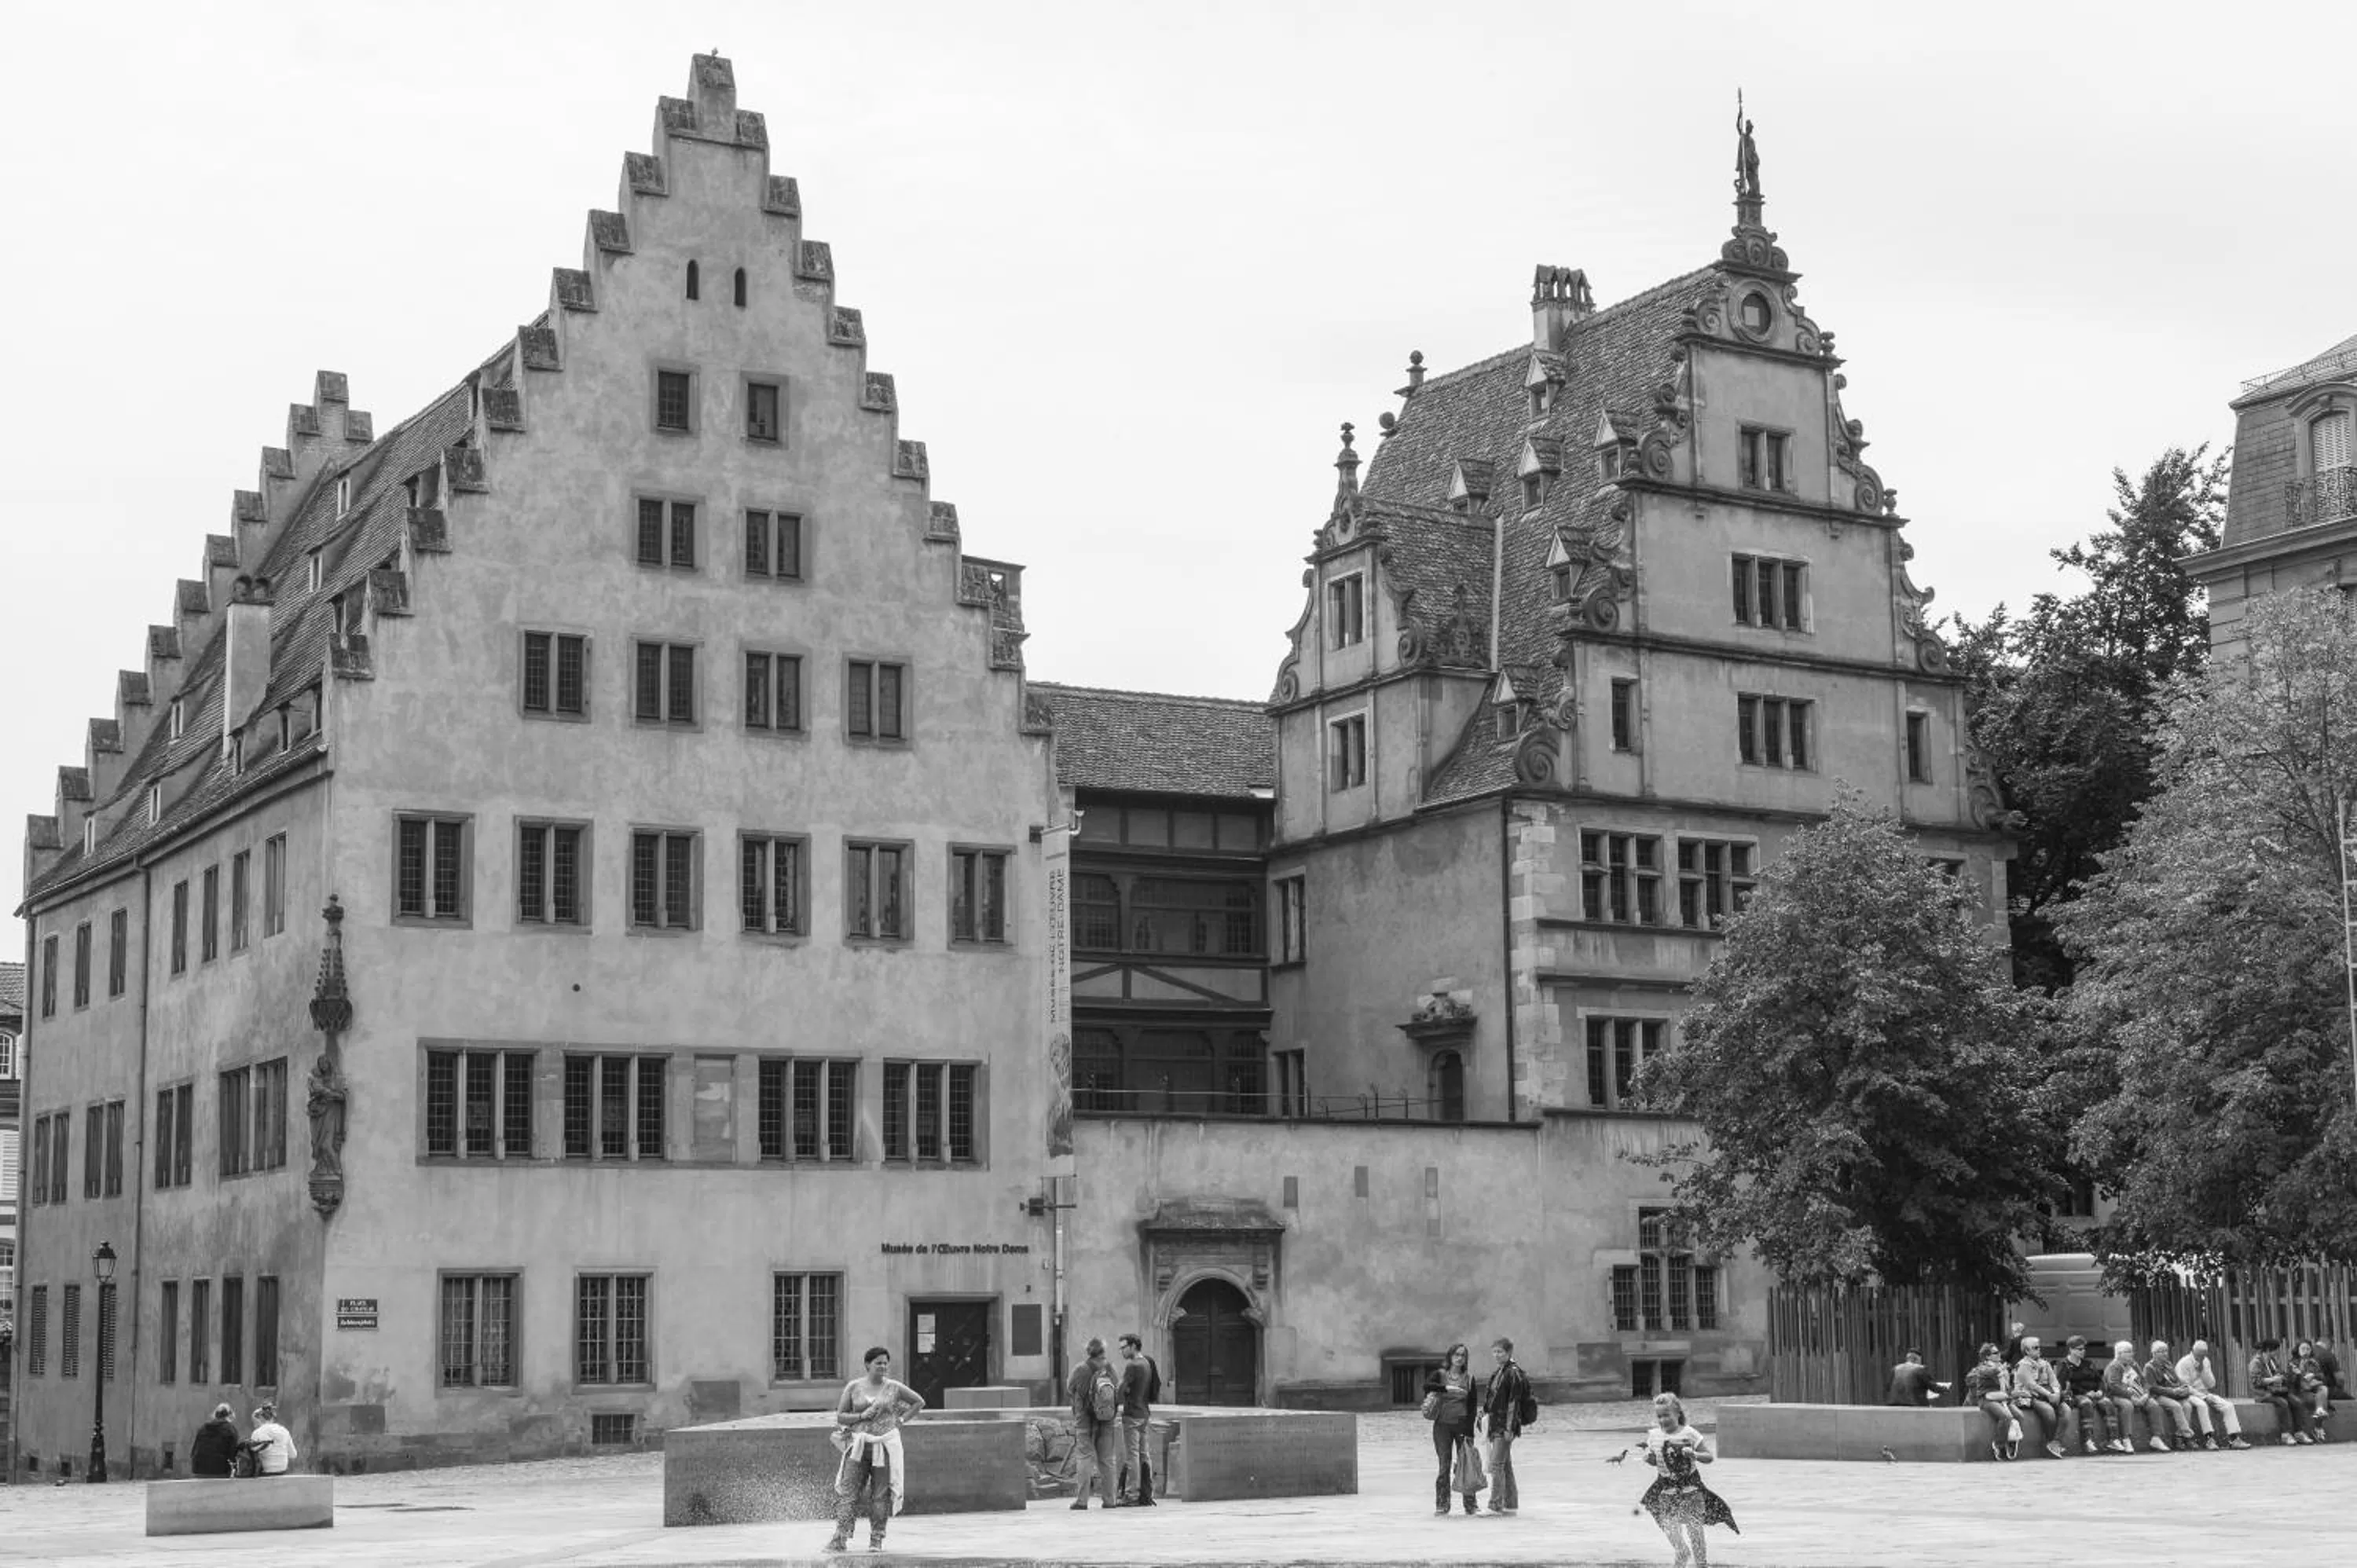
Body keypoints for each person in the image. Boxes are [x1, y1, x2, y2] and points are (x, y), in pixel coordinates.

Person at [824, 1346, 925, 1554]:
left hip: (884, 1447)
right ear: (867, 1365)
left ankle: (876, 1539)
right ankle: (840, 1538)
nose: (883, 1367)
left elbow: (919, 1402)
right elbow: (841, 1416)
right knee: (849, 1493)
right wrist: (861, 1416)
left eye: (886, 1363)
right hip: (858, 1447)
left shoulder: (894, 1387)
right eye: (878, 1363)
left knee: (880, 1495)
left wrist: (901, 1420)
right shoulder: (854, 1387)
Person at [1638, 1392, 1739, 1568]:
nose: (1663, 1420)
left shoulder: (1690, 1433)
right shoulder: (1654, 1436)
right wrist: (1650, 1459)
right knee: (1669, 1527)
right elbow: (1658, 1462)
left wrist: (1695, 1454)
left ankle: (1701, 1564)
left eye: (1666, 1415)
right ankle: (1682, 1552)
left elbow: (1709, 1457)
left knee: (1695, 1528)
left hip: (1691, 1491)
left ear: (1678, 1413)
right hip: (1666, 1492)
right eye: (1659, 1416)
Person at [1064, 1336, 1127, 1510]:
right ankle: (1110, 1499)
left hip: (1084, 1420)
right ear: (1103, 1351)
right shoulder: (1110, 1369)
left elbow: (1069, 1388)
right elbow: (1118, 1390)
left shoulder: (1080, 1369)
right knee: (1107, 1461)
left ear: (1088, 1352)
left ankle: (1082, 1500)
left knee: (1084, 1459)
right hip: (1107, 1420)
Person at [1421, 1342, 1483, 1516]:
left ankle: (1470, 1504)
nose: (1459, 1358)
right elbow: (1426, 1386)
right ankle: (1442, 1504)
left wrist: (1470, 1433)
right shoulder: (1440, 1375)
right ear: (1450, 1356)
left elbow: (1472, 1407)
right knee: (1444, 1466)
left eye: (1463, 1355)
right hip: (1442, 1426)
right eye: (1456, 1354)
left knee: (1466, 1465)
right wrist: (1447, 1388)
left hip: (1462, 1426)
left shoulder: (1469, 1379)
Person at [1479, 1338, 1530, 1516]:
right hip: (1495, 1423)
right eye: (1494, 1351)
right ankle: (1511, 1503)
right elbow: (1493, 1398)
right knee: (1505, 1465)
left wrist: (1510, 1427)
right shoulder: (1499, 1372)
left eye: (1500, 1352)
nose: (1496, 1355)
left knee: (1496, 1465)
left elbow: (1513, 1403)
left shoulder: (1513, 1373)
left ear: (1509, 1353)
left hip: (1504, 1426)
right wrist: (1484, 1412)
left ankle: (1495, 1505)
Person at [2102, 1338, 2179, 1453]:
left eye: (2131, 1351)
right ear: (2119, 1354)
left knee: (2153, 1405)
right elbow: (2114, 1386)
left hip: (2138, 1394)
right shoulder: (2114, 1366)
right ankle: (2126, 1439)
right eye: (2128, 1352)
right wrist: (2131, 1397)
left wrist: (2146, 1394)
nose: (2131, 1354)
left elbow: (2144, 1381)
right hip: (2117, 1396)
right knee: (2127, 1405)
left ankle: (2156, 1438)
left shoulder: (2134, 1364)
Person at [2173, 1340, 2251, 1450]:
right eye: (2199, 1355)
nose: (2201, 1358)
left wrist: (2203, 1371)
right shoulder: (2183, 1363)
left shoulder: (2205, 1361)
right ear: (2193, 1351)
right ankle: (2209, 1439)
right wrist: (2203, 1397)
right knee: (2202, 1405)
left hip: (2205, 1392)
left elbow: (2211, 1384)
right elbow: (2185, 1386)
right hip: (2189, 1394)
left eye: (2204, 1355)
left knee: (2228, 1406)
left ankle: (2234, 1439)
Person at [2008, 1336, 2070, 1457]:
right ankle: (2051, 1440)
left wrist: (2056, 1393)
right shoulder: (2022, 1366)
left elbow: (2054, 1381)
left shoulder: (2045, 1363)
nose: (2039, 1349)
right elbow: (2031, 1385)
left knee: (2066, 1410)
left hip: (2047, 1395)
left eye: (2039, 1347)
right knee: (2048, 1411)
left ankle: (2055, 1443)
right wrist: (2049, 1395)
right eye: (2035, 1348)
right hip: (2029, 1396)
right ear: (2027, 1351)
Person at [1115, 1332, 1157, 1507]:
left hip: (1132, 1414)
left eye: (1124, 1348)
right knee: (1144, 1455)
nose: (1122, 1351)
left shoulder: (1132, 1365)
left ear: (1133, 1346)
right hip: (1144, 1414)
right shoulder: (1146, 1362)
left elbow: (1121, 1389)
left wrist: (1118, 1399)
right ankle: (1147, 1493)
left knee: (1132, 1456)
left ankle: (1132, 1494)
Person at [2249, 1338, 2315, 1445]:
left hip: (2277, 1391)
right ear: (2269, 1350)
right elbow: (2256, 1382)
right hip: (2263, 1394)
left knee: (2297, 1402)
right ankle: (2286, 1434)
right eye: (2275, 1350)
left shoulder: (2273, 1361)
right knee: (2283, 1403)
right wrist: (2273, 1380)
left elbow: (2281, 1373)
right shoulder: (2256, 1362)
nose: (2277, 1352)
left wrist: (2289, 1375)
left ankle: (2299, 1433)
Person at [2141, 1340, 2205, 1451]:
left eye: (2166, 1351)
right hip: (2158, 1395)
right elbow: (2152, 1387)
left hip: (2173, 1394)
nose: (2165, 1353)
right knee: (2176, 1406)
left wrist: (2180, 1388)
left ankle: (2179, 1437)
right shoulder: (2149, 1367)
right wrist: (2172, 1391)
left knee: (2187, 1406)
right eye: (2161, 1351)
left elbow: (2176, 1380)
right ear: (2154, 1353)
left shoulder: (2168, 1364)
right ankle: (2188, 1436)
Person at [1963, 1343, 2022, 1460]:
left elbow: (2006, 1387)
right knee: (2006, 1417)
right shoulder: (1982, 1368)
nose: (1999, 1354)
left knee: (2019, 1416)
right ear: (1987, 1357)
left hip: (2002, 1398)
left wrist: (2014, 1395)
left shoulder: (2001, 1369)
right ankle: (1999, 1445)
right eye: (1995, 1353)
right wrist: (2000, 1369)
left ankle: (2011, 1439)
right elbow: (1989, 1372)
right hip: (1987, 1399)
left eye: (1999, 1352)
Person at [2058, 1337, 2116, 1455]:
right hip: (2077, 1395)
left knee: (2107, 1403)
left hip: (2094, 1394)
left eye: (2084, 1349)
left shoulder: (2088, 1364)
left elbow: (2099, 1380)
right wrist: (2085, 1393)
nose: (2083, 1351)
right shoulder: (2064, 1365)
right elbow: (2065, 1385)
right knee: (2086, 1403)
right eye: (2080, 1349)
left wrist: (2100, 1391)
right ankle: (2087, 1441)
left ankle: (2113, 1439)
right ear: (2071, 1350)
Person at [2292, 1340, 2333, 1438]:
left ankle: (2319, 1411)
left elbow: (2323, 1377)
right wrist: (2299, 1376)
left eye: (2308, 1349)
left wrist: (2313, 1375)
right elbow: (2290, 1381)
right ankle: (2318, 1427)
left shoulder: (2314, 1362)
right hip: (2300, 1391)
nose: (2305, 1351)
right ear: (2298, 1350)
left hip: (2313, 1388)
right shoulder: (2293, 1363)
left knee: (2323, 1388)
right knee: (2320, 1398)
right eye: (2303, 1349)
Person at [1883, 1349, 1950, 1407]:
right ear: (1916, 1359)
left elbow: (1888, 1387)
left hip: (1893, 1405)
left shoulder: (1895, 1368)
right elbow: (1933, 1387)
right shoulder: (1919, 1369)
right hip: (1915, 1406)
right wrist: (1945, 1388)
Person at [246, 1402, 297, 1476]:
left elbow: (253, 1454)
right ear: (273, 1417)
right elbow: (293, 1455)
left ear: (260, 1417)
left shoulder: (258, 1432)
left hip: (265, 1472)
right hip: (282, 1471)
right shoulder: (284, 1430)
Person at [191, 1404, 241, 1478]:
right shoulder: (230, 1429)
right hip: (219, 1470)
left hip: (198, 1468)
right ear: (230, 1416)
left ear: (215, 1415)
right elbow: (232, 1453)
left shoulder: (203, 1428)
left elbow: (194, 1451)